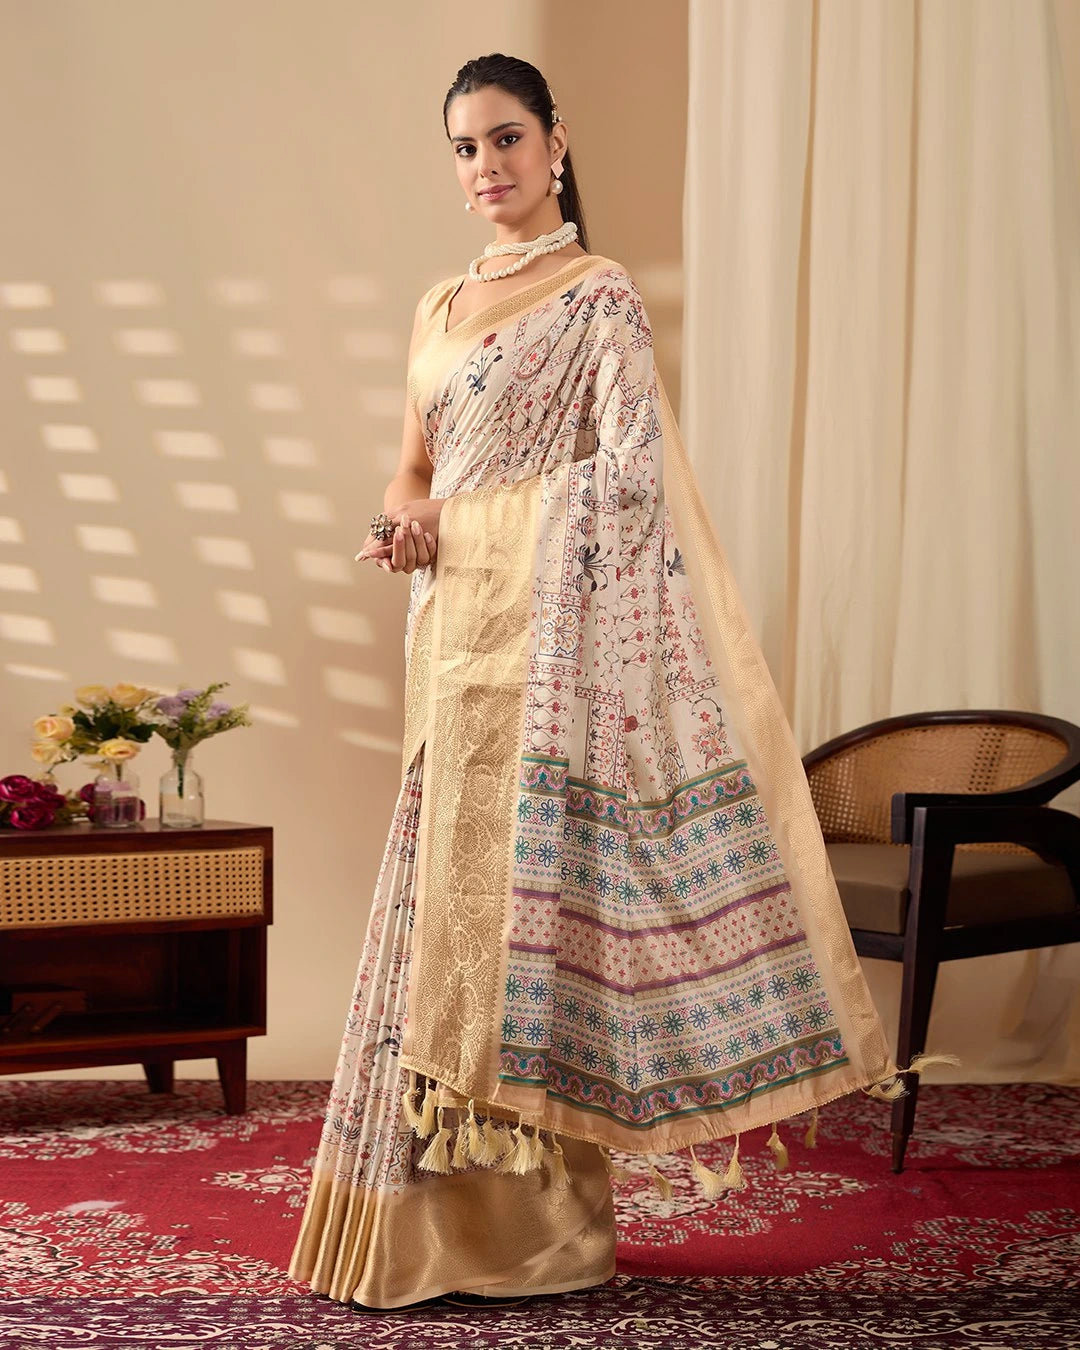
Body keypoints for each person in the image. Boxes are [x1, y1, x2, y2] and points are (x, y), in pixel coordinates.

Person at [287, 51, 953, 1313]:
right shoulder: (435, 307)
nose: (486, 168)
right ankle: (418, 1227)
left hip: (547, 655)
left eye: (505, 140)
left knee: (521, 932)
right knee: (437, 920)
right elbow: (410, 468)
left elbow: (631, 480)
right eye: (465, 149)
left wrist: (476, 528)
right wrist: (407, 524)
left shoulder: (598, 298)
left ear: (555, 142)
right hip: (453, 648)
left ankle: (533, 1235)